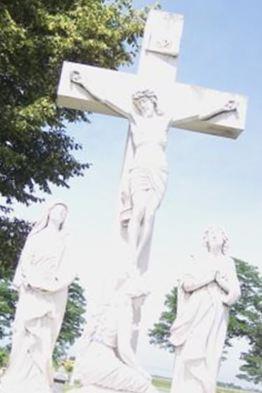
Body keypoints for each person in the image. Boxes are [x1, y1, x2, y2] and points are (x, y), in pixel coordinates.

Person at [71, 71, 170, 268]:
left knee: (149, 215)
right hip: (140, 166)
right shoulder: (136, 119)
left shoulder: (165, 121)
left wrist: (222, 108)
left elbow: (196, 114)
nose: (143, 106)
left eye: (146, 102)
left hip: (159, 168)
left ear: (153, 102)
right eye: (140, 104)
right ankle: (131, 257)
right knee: (138, 211)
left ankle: (137, 257)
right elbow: (107, 99)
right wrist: (84, 83)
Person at [0, 202, 76, 393]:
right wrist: (32, 281)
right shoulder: (36, 237)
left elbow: (69, 270)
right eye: (57, 210)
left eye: (64, 212)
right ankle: (16, 376)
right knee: (22, 334)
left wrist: (53, 285)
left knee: (43, 339)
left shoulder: (65, 240)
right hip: (32, 290)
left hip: (50, 295)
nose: (60, 213)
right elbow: (25, 262)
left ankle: (36, 379)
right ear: (48, 212)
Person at [169, 226, 241, 393]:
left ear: (224, 240)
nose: (215, 236)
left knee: (210, 352)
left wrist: (219, 281)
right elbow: (186, 285)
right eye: (211, 234)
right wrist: (208, 278)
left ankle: (205, 387)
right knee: (191, 348)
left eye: (219, 234)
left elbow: (235, 292)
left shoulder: (228, 262)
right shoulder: (196, 258)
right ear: (205, 239)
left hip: (216, 312)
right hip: (195, 309)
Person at [71, 269, 157, 393]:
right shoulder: (125, 310)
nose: (143, 303)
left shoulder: (108, 307)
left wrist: (77, 367)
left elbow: (85, 338)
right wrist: (139, 370)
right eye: (143, 298)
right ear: (136, 295)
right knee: (145, 386)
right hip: (102, 362)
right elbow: (124, 348)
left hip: (88, 363)